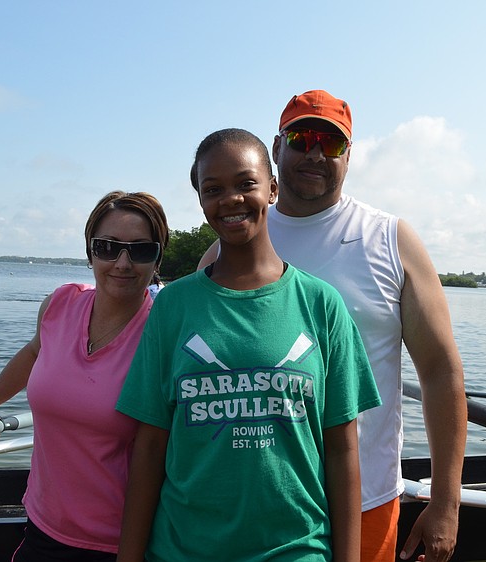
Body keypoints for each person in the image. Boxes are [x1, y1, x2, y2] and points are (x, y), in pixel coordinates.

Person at [198, 91, 467, 562]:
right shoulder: (228, 245)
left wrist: (446, 501)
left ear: (349, 155)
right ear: (277, 148)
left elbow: (441, 372)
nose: (316, 154)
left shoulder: (390, 239)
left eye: (332, 143)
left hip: (366, 498)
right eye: (302, 138)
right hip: (257, 499)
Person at [115, 129, 381, 562]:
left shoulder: (322, 305)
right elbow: (149, 446)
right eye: (213, 189)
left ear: (272, 189)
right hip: (183, 550)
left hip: (296, 550)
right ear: (200, 200)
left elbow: (342, 449)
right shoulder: (173, 307)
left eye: (246, 184)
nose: (231, 199)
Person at [0, 191, 170, 561]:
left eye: (140, 250)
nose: (122, 263)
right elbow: (33, 352)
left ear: (157, 259)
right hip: (41, 525)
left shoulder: (163, 334)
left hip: (119, 542)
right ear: (90, 251)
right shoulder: (60, 304)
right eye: (107, 247)